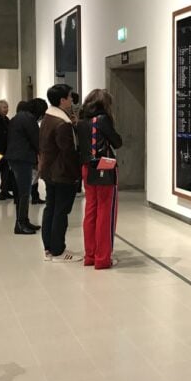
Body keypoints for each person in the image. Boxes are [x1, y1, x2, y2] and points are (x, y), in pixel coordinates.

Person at [77, 89, 123, 269]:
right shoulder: (103, 119)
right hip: (104, 165)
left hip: (86, 167)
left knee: (91, 210)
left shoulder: (81, 122)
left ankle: (90, 255)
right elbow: (117, 142)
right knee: (106, 211)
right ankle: (102, 258)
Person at [38, 85, 83, 262]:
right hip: (62, 174)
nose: (72, 100)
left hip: (49, 172)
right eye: (70, 97)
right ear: (62, 100)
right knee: (60, 212)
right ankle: (58, 250)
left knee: (51, 208)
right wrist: (76, 174)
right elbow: (68, 152)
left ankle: (49, 248)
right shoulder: (61, 123)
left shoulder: (48, 118)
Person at [6, 100, 40, 234]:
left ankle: (24, 221)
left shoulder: (17, 118)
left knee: (22, 192)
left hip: (16, 158)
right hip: (22, 158)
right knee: (24, 192)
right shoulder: (28, 118)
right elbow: (36, 139)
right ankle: (20, 224)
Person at [29, 98, 49, 205]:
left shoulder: (32, 121)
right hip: (31, 154)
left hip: (33, 154)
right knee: (34, 176)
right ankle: (34, 196)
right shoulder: (32, 122)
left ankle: (35, 196)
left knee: (34, 176)